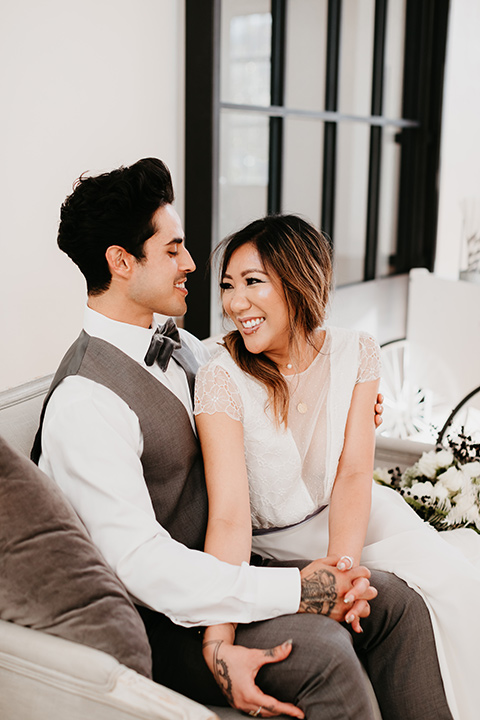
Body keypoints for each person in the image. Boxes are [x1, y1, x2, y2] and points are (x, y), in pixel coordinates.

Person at [32, 159, 452, 720]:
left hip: (222, 571)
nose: (190, 263)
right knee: (326, 654)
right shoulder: (85, 403)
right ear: (121, 261)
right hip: (157, 620)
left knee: (394, 601)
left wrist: (347, 402)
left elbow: (261, 369)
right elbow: (144, 569)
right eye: (174, 249)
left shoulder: (176, 344)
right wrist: (296, 592)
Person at [194, 214, 480, 720]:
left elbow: (352, 475)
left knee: (460, 587)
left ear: (299, 280)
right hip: (278, 539)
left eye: (253, 282)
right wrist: (219, 640)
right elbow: (230, 517)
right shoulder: (220, 377)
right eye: (228, 286)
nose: (235, 303)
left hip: (359, 514)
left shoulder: (357, 352)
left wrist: (342, 572)